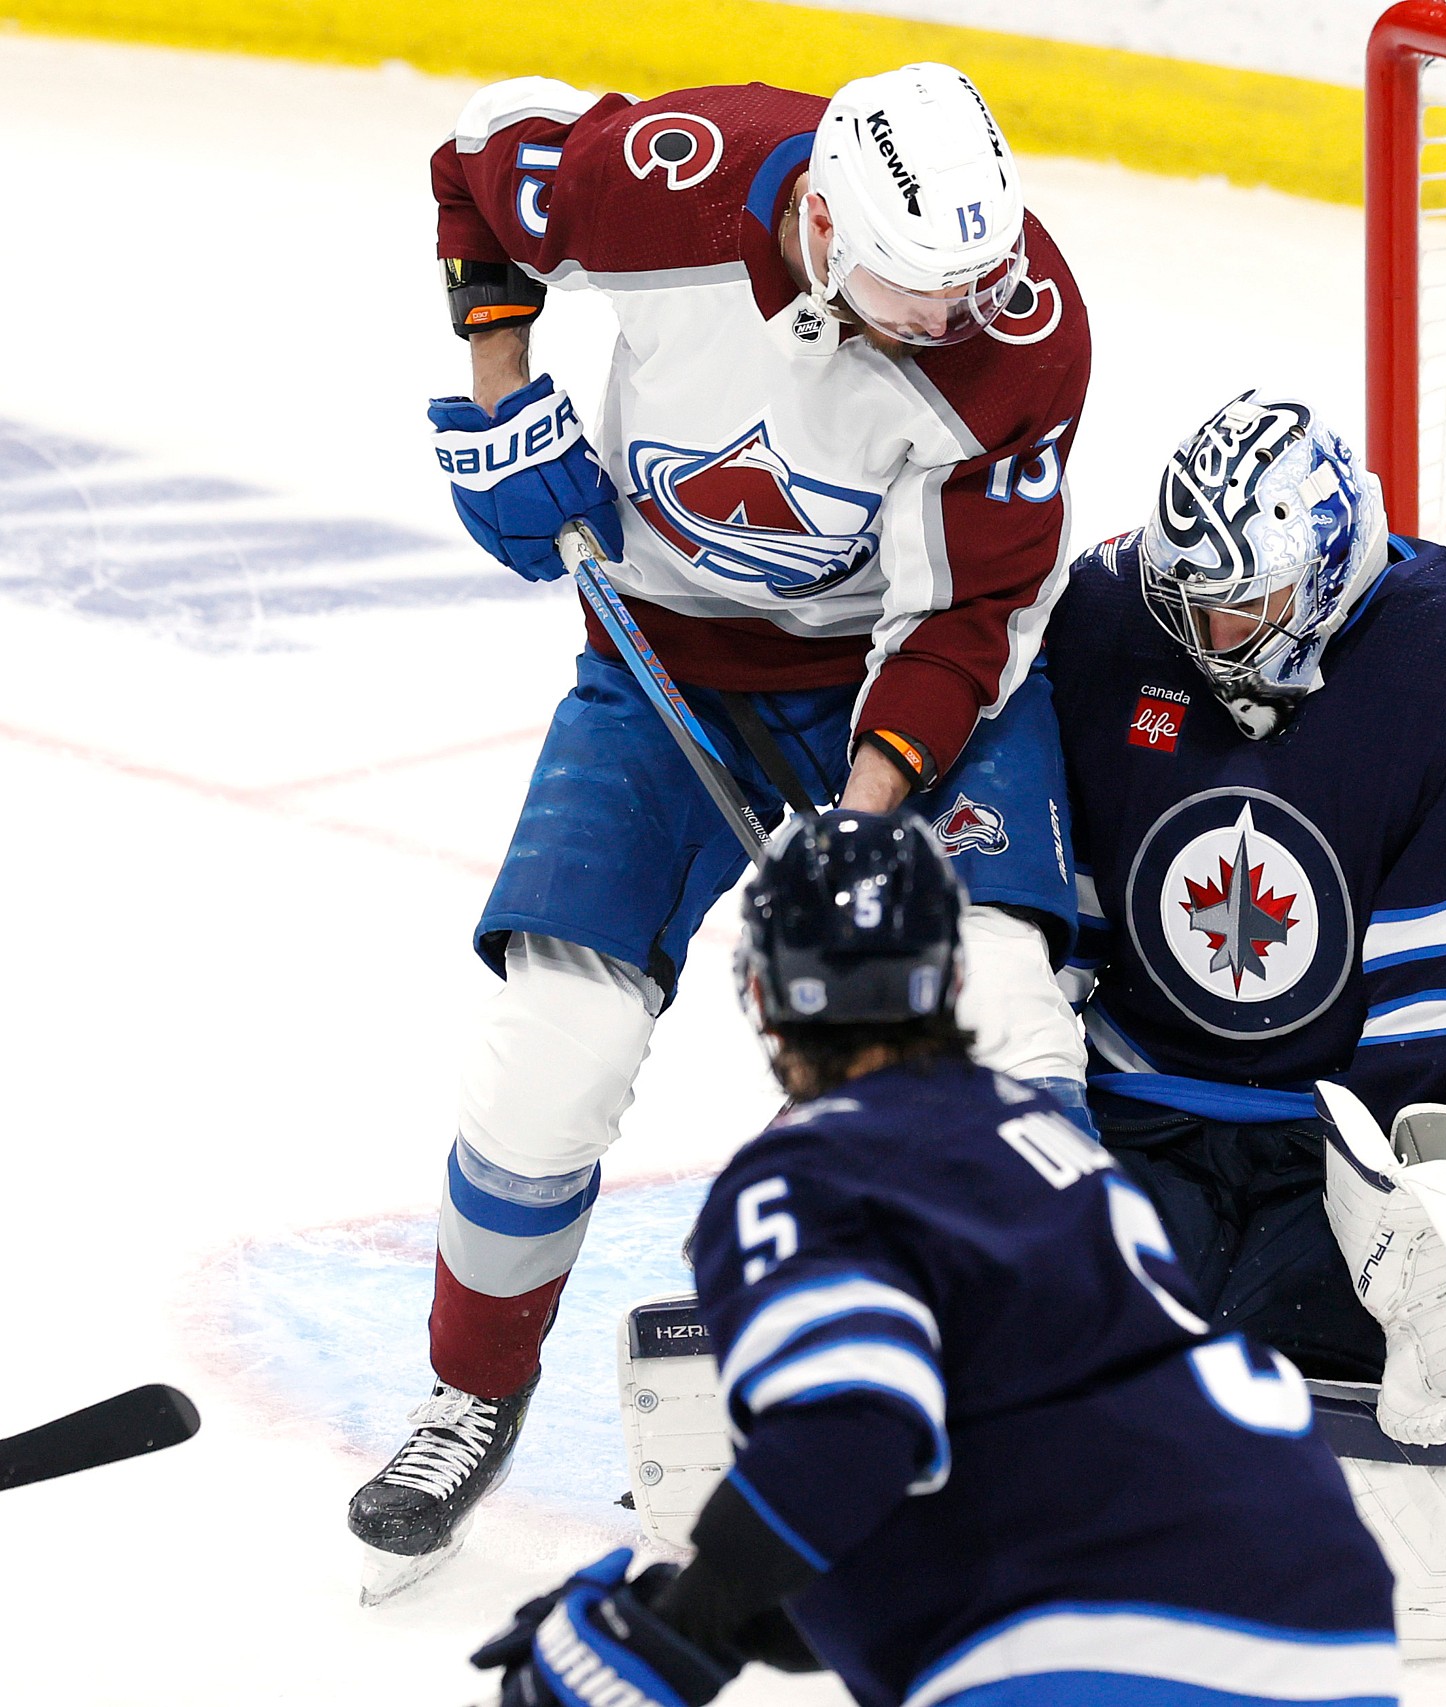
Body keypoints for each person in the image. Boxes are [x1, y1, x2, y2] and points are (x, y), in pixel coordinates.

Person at [350, 62, 1092, 1593]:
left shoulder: (1020, 331)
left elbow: (966, 613)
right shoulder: (676, 178)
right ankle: (473, 1389)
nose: (966, 311)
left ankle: (1073, 1387)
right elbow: (480, 167)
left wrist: (870, 825)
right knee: (557, 1046)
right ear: (821, 216)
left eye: (983, 273)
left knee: (1006, 1004)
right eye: (923, 285)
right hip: (658, 655)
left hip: (903, 669)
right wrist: (502, 390)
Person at [466, 810, 1400, 1707]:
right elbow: (898, 1534)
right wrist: (699, 1610)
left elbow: (848, 1435)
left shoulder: (809, 1170)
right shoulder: (1061, 1151)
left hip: (1093, 1627)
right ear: (954, 980)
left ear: (760, 990)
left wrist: (682, 1633)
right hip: (1325, 1615)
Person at [1043, 392, 1446, 1444]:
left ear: (1328, 570)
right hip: (1150, 1106)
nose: (1208, 640)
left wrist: (1439, 1194)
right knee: (1061, 1349)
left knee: (1296, 1382)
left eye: (1243, 607)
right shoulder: (1112, 614)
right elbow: (1040, 896)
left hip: (1372, 1139)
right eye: (1189, 602)